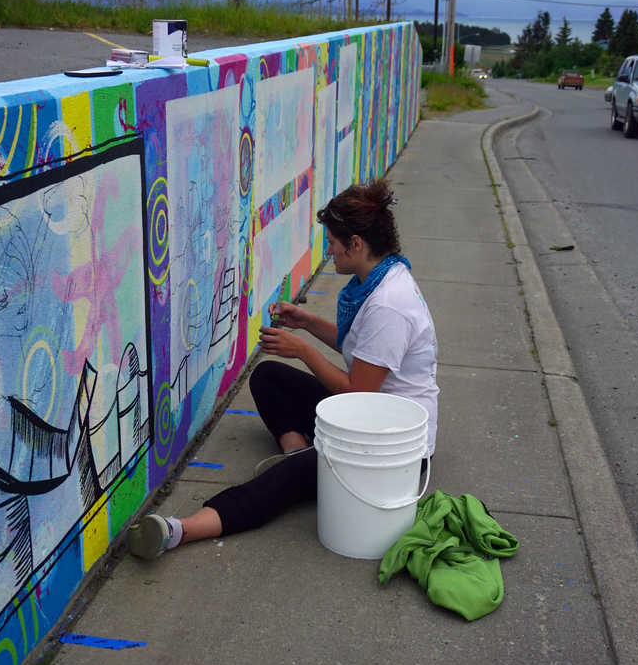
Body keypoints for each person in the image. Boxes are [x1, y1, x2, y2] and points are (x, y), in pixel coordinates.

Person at [127, 178, 438, 559]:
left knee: (283, 482)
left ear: (356, 244)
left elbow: (359, 396)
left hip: (389, 449)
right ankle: (298, 454)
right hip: (369, 422)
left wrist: (303, 350)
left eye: (333, 242)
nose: (330, 250)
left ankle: (179, 531)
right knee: (268, 377)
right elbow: (359, 345)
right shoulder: (377, 280)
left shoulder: (390, 304)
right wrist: (304, 322)